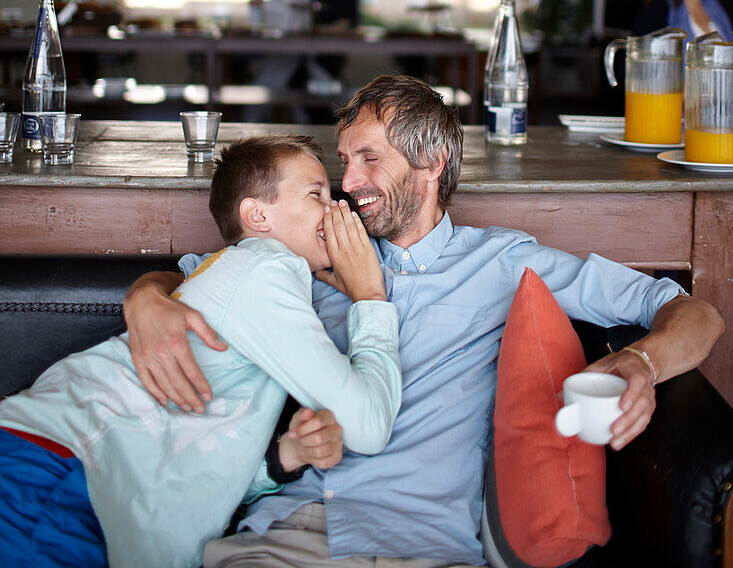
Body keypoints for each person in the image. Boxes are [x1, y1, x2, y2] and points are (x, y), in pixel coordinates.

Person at [125, 76, 724, 568]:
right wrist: (145, 299)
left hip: (424, 545)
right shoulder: (308, 250)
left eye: (369, 159)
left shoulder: (503, 261)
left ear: (432, 161)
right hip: (289, 531)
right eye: (344, 162)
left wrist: (644, 362)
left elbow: (694, 313)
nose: (349, 183)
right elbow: (193, 279)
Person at [0, 136, 401, 568]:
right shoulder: (263, 269)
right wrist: (371, 297)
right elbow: (368, 426)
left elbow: (199, 451)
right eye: (316, 194)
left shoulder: (244, 273)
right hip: (52, 470)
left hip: (64, 473)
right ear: (258, 215)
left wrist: (285, 458)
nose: (337, 207)